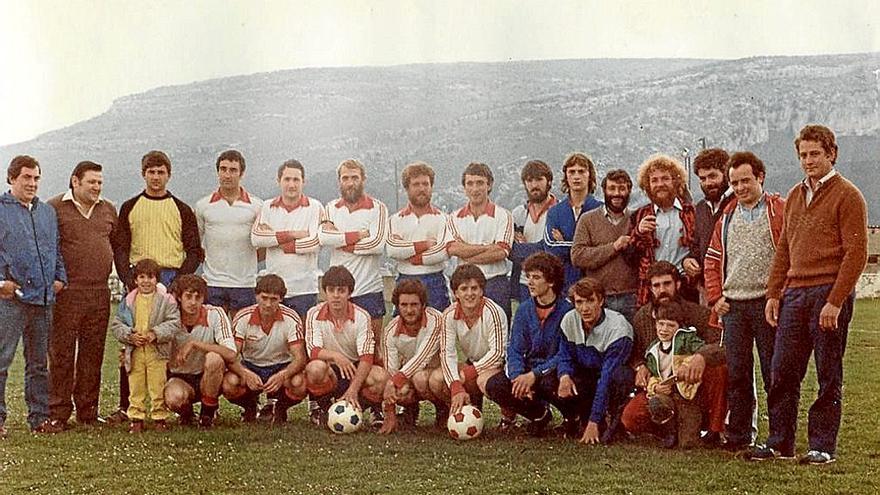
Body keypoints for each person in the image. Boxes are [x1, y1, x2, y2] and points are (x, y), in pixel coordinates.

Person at [749, 125, 867, 465]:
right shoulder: (795, 196)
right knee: (782, 370)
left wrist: (835, 300)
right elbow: (784, 249)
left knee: (828, 372)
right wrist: (774, 294)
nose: (808, 160)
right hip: (794, 295)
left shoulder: (848, 195)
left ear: (831, 154)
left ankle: (822, 446)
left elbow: (856, 252)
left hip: (828, 294)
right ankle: (779, 442)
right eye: (803, 154)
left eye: (815, 154)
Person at [110, 150, 203, 423]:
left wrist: (179, 281)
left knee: (167, 342)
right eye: (151, 172)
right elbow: (120, 247)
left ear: (168, 175)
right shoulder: (130, 207)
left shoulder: (182, 209)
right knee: (133, 341)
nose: (156, 177)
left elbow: (195, 251)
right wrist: (129, 277)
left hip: (171, 278)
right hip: (141, 280)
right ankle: (127, 407)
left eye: (161, 172)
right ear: (143, 174)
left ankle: (176, 405)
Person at [704, 151, 784, 451]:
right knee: (737, 373)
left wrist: (778, 294)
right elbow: (712, 259)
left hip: (767, 303)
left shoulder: (778, 210)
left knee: (772, 372)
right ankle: (739, 435)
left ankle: (777, 435)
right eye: (734, 183)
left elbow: (788, 254)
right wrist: (715, 297)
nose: (740, 188)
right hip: (734, 306)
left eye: (745, 181)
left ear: (760, 177)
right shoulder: (727, 217)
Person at [47, 160, 118, 428]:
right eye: (92, 182)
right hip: (67, 293)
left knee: (93, 354)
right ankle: (57, 413)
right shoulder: (54, 208)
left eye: (100, 182)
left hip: (99, 293)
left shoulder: (108, 209)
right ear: (75, 181)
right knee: (62, 354)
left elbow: (117, 247)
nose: (97, 187)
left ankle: (88, 412)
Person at [0, 155, 68, 437]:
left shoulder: (47, 212)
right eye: (26, 177)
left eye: (36, 178)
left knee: (39, 363)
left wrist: (59, 278)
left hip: (42, 301)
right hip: (10, 302)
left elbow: (55, 250)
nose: (32, 183)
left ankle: (39, 418)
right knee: (2, 361)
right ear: (11, 178)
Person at [623, 261, 726, 445]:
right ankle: (666, 430)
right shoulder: (642, 317)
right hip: (661, 385)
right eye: (656, 285)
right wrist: (641, 366)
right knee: (630, 418)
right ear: (650, 288)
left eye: (667, 284)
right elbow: (636, 353)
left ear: (677, 284)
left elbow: (720, 343)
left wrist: (700, 356)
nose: (662, 290)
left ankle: (714, 430)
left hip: (692, 384)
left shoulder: (698, 313)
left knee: (719, 370)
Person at [484, 252, 571, 436]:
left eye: (536, 277)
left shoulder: (567, 311)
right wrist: (517, 377)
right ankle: (539, 414)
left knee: (549, 383)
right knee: (495, 385)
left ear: (551, 282)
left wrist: (535, 375)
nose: (530, 282)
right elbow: (514, 348)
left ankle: (571, 418)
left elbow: (566, 354)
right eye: (528, 276)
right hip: (527, 372)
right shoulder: (524, 310)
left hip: (553, 372)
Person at [318, 159, 388, 361]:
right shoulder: (330, 207)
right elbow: (323, 238)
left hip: (368, 290)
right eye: (345, 178)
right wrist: (358, 235)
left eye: (354, 178)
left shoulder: (378, 208)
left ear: (363, 179)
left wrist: (339, 240)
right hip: (339, 292)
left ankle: (373, 392)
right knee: (339, 352)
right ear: (339, 181)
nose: (350, 183)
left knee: (373, 353)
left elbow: (376, 245)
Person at [555, 277, 633, 445]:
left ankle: (612, 419)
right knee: (553, 381)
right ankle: (575, 418)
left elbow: (607, 375)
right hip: (587, 372)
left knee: (620, 377)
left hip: (610, 374)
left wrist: (594, 421)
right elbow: (564, 355)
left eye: (590, 301)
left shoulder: (618, 328)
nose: (585, 308)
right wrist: (564, 375)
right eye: (579, 302)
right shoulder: (569, 319)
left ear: (601, 300)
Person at [304, 266, 387, 424]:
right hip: (330, 370)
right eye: (331, 290)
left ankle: (355, 407)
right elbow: (313, 352)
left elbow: (367, 358)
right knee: (314, 368)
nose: (336, 296)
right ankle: (323, 407)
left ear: (349, 293)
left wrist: (353, 389)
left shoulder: (362, 316)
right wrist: (336, 356)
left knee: (380, 377)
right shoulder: (313, 313)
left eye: (341, 290)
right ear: (324, 292)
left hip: (354, 369)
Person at [164, 274, 247, 428]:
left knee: (215, 358)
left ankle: (207, 414)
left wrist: (195, 344)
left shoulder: (215, 314)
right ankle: (187, 414)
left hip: (208, 376)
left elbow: (231, 353)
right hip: (180, 376)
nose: (193, 302)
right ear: (180, 297)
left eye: (198, 297)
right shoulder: (170, 317)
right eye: (188, 296)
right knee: (174, 398)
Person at [225, 273, 308, 424]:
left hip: (281, 365)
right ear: (256, 296)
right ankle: (249, 406)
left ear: (281, 299)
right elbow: (231, 356)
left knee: (299, 383)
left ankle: (280, 407)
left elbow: (300, 358)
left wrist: (282, 375)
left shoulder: (291, 318)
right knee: (229, 383)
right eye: (264, 298)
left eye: (273, 299)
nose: (268, 304)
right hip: (251, 365)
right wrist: (245, 373)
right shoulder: (243, 317)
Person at [111, 259, 180, 433]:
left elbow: (174, 323)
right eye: (142, 277)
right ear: (135, 280)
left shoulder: (167, 300)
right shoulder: (128, 301)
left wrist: (155, 333)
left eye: (150, 277)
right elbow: (117, 324)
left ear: (157, 279)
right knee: (136, 385)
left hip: (157, 352)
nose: (146, 281)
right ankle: (136, 417)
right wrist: (130, 336)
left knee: (157, 385)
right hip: (135, 352)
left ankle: (159, 417)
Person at [430, 264, 508, 418]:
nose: (470, 293)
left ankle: (508, 415)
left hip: (499, 365)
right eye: (464, 289)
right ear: (455, 293)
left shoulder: (494, 311)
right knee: (436, 380)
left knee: (482, 380)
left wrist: (468, 373)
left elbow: (498, 353)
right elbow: (448, 354)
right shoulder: (449, 315)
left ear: (482, 290)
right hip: (472, 362)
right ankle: (465, 411)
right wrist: (456, 385)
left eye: (474, 288)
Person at [251, 159, 323, 318]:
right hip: (273, 291)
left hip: (304, 290)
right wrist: (292, 235)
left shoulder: (315, 207)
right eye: (287, 179)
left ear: (304, 181)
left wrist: (276, 239)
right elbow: (256, 239)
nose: (292, 184)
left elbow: (313, 243)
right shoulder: (267, 206)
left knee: (302, 339)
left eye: (296, 179)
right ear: (279, 181)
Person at [195, 149, 263, 314]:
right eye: (223, 169)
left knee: (242, 334)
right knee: (215, 334)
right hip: (213, 283)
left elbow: (263, 247)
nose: (227, 175)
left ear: (241, 173)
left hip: (245, 284)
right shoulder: (203, 206)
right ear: (218, 172)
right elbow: (198, 242)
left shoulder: (257, 206)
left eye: (233, 170)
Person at [446, 162, 514, 319]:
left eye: (480, 183)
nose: (475, 189)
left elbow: (500, 252)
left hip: (495, 284)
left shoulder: (503, 215)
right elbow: (452, 249)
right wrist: (487, 247)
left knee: (499, 338)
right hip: (466, 287)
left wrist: (466, 252)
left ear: (489, 185)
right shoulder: (453, 217)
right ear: (464, 188)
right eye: (470, 183)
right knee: (469, 337)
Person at [377, 279, 445, 434]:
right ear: (397, 306)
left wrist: (395, 381)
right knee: (399, 389)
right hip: (410, 375)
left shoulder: (437, 319)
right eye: (404, 305)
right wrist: (390, 408)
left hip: (439, 374)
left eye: (414, 304)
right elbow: (391, 370)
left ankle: (444, 409)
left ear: (423, 304)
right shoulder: (390, 330)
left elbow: (422, 357)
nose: (409, 310)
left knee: (421, 379)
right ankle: (409, 410)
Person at [631, 154, 699, 305]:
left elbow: (701, 246)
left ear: (675, 181)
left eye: (665, 178)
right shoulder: (640, 215)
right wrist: (639, 232)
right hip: (653, 289)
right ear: (647, 185)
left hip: (686, 287)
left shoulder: (692, 212)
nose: (660, 184)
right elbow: (630, 256)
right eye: (654, 180)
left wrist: (692, 260)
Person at [571, 169, 638, 321]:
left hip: (631, 298)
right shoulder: (587, 220)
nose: (617, 193)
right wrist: (614, 247)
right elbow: (578, 256)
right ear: (604, 191)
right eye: (612, 188)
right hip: (599, 298)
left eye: (622, 188)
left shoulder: (637, 218)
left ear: (629, 190)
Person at [640, 301, 709, 449]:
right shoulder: (653, 350)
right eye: (661, 324)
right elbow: (653, 373)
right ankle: (668, 431)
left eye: (670, 325)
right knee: (657, 404)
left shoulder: (686, 338)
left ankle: (690, 434)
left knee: (688, 443)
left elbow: (701, 350)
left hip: (686, 393)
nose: (664, 329)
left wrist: (688, 364)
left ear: (679, 326)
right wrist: (655, 387)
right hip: (666, 392)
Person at [386, 161, 452, 311]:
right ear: (407, 188)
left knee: (438, 330)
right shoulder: (395, 220)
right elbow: (393, 250)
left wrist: (410, 255)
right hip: (405, 280)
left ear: (431, 187)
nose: (422, 189)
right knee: (403, 332)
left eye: (425, 184)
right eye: (416, 184)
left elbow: (443, 252)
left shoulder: (443, 218)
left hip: (435, 282)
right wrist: (426, 245)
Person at [544, 152, 603, 293]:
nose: (576, 176)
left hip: (595, 282)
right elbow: (551, 248)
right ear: (566, 176)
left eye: (581, 171)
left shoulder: (601, 209)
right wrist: (587, 249)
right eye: (572, 172)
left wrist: (565, 242)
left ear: (590, 175)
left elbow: (604, 247)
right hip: (565, 285)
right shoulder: (555, 212)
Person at [509, 159, 556, 303]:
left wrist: (524, 247)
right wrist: (539, 248)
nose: (534, 185)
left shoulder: (559, 212)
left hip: (551, 284)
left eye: (539, 179)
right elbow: (510, 250)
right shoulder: (519, 213)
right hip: (524, 283)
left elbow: (551, 250)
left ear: (549, 182)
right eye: (529, 180)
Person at [692, 148, 734, 297]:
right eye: (703, 179)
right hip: (709, 290)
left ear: (726, 173)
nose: (708, 183)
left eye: (713, 176)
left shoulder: (739, 203)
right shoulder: (701, 208)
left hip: (735, 289)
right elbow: (697, 244)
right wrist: (689, 260)